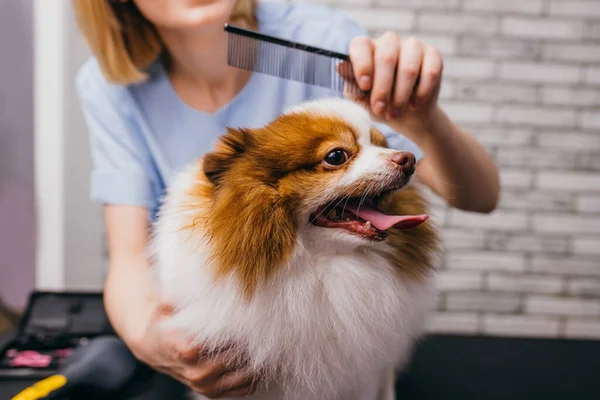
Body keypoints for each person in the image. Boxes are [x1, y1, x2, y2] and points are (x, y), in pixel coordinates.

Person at [72, 0, 500, 398]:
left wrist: (425, 122)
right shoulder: (112, 87)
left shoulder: (320, 38)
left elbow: (482, 196)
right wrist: (153, 338)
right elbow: (128, 259)